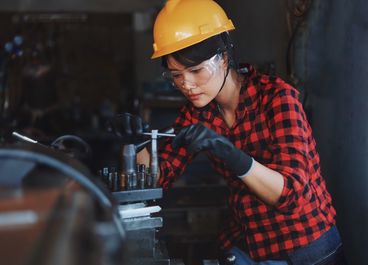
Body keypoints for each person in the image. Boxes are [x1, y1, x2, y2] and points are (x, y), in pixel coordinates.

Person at [110, 0, 347, 264]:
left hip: (306, 246)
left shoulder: (277, 99)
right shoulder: (197, 113)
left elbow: (291, 194)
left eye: (196, 70)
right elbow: (158, 179)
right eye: (176, 75)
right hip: (252, 241)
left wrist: (232, 155)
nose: (186, 85)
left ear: (223, 58)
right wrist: (136, 144)